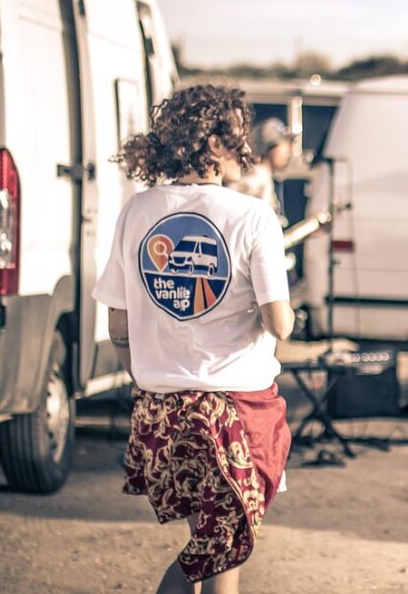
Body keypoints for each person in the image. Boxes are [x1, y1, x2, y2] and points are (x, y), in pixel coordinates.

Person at [93, 85, 295, 594]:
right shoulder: (252, 215)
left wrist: (152, 374)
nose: (244, 148)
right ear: (219, 144)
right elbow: (280, 325)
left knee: (214, 542)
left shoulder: (137, 211)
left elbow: (118, 325)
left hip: (161, 413)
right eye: (238, 137)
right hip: (234, 412)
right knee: (219, 547)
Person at [226, 116, 295, 216]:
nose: (289, 151)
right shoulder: (258, 178)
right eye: (284, 144)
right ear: (267, 148)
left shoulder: (263, 176)